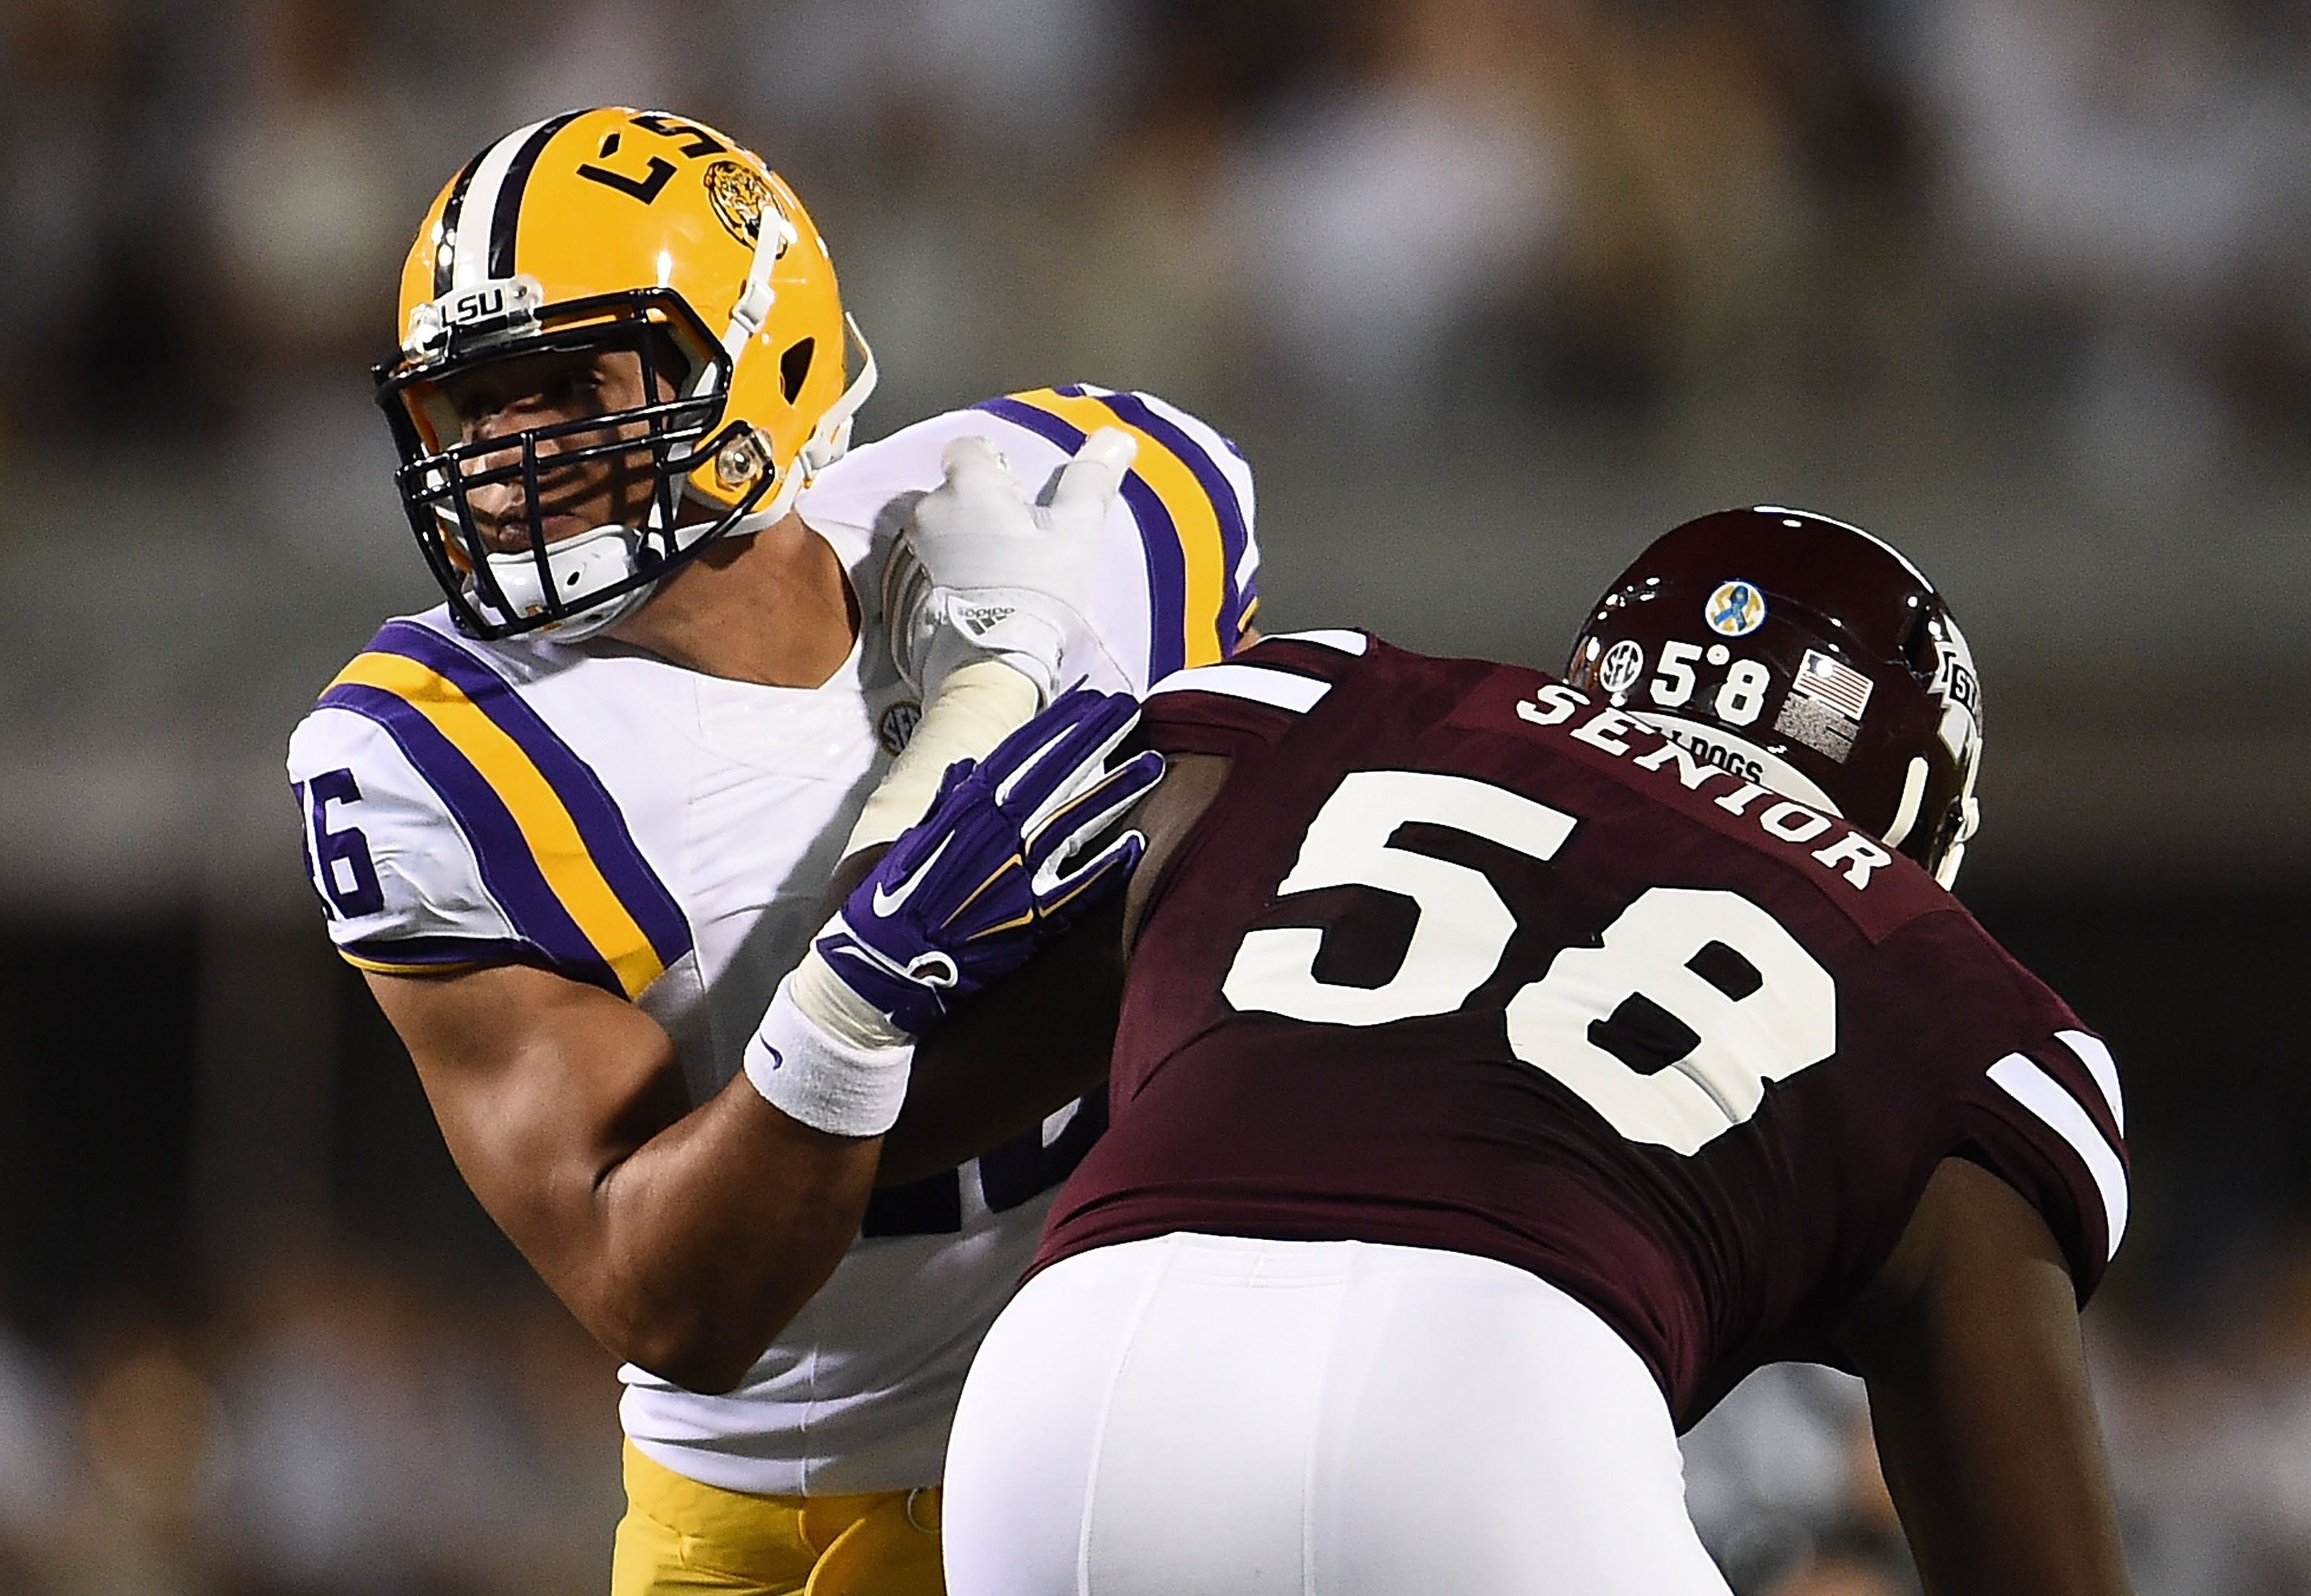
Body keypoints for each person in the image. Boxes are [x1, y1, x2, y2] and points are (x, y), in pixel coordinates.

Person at [282, 106, 1258, 1596]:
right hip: (799, 1512)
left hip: (1169, 1426)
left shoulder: (1100, 495)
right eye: (473, 405)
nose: (509, 452)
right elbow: (670, 1299)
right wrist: (864, 994)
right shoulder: (429, 757)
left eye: (566, 384)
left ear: (766, 361)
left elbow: (1280, 899)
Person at [874, 506, 2131, 1594]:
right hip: (1505, 1410)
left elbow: (882, 1119)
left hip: (1072, 1393)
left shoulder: (1329, 693)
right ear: (1916, 818)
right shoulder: (1953, 990)